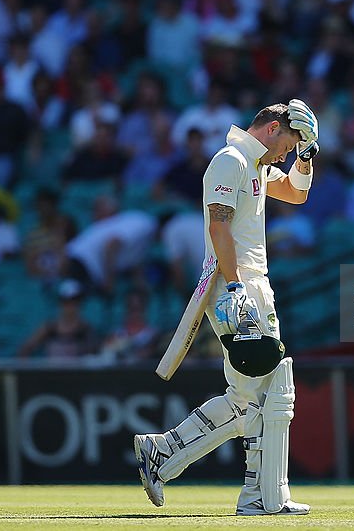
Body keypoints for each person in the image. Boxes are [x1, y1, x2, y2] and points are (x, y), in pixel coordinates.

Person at [134, 99, 318, 516]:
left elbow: (296, 193)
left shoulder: (256, 165)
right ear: (272, 128)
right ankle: (259, 495)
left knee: (251, 398)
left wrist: (304, 159)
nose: (287, 154)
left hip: (250, 281)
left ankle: (166, 453)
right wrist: (235, 288)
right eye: (290, 143)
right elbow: (219, 224)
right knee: (271, 389)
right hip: (235, 283)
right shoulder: (230, 160)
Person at [18, 279, 98, 357]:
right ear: (60, 303)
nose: (71, 306)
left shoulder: (86, 330)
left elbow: (94, 356)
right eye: (66, 302)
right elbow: (25, 349)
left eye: (75, 301)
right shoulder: (49, 328)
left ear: (80, 303)